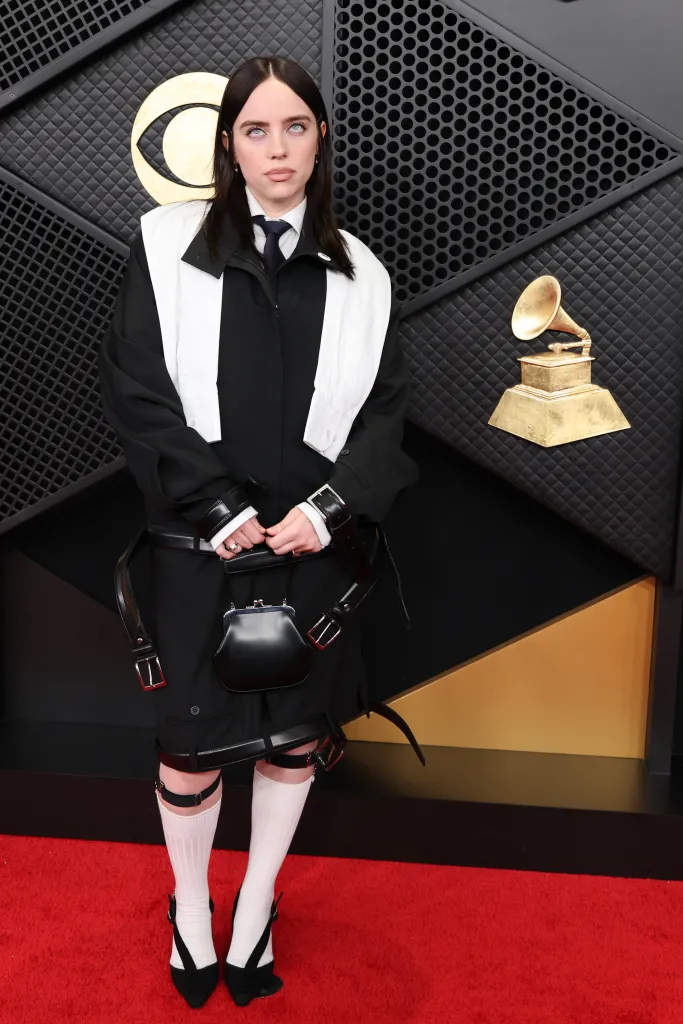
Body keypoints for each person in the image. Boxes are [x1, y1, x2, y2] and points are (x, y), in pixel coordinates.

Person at [98, 54, 421, 1010]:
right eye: (254, 130)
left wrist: (323, 514)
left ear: (319, 138)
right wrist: (218, 510)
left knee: (292, 736)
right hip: (200, 544)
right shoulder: (164, 244)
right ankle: (191, 910)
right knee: (189, 744)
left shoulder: (362, 272)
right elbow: (136, 388)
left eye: (294, 128)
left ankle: (257, 904)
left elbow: (388, 416)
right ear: (226, 143)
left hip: (313, 549)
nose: (276, 149)